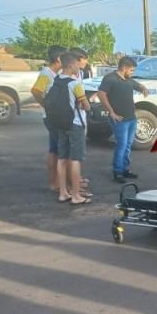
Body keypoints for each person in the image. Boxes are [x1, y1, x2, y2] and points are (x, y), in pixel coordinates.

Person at [96, 56, 149, 183]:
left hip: (131, 118)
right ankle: (117, 171)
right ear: (124, 68)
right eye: (131, 70)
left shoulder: (128, 79)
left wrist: (144, 89)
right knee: (121, 145)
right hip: (119, 119)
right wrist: (111, 112)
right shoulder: (110, 78)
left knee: (128, 145)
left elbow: (138, 85)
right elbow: (101, 94)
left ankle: (125, 169)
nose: (132, 73)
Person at [54, 52, 92, 205]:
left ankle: (63, 192)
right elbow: (86, 106)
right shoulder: (74, 84)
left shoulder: (56, 80)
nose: (79, 66)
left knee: (62, 158)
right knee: (75, 159)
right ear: (70, 65)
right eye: (77, 63)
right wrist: (87, 104)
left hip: (60, 123)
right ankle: (76, 195)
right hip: (75, 124)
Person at [30, 45, 66, 192]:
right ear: (58, 59)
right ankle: (55, 183)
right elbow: (36, 90)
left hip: (54, 117)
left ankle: (55, 182)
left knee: (55, 150)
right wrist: (46, 105)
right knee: (58, 151)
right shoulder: (46, 74)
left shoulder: (55, 73)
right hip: (52, 118)